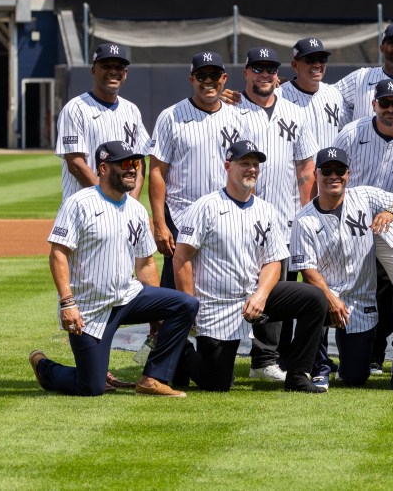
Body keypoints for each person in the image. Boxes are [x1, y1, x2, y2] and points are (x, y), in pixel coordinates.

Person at [30, 141, 198, 398]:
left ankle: (153, 378)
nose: (133, 169)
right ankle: (45, 367)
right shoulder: (79, 204)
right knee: (91, 386)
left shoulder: (136, 210)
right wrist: (67, 303)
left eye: (135, 164)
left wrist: (155, 316)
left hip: (128, 297)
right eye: (125, 164)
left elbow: (146, 262)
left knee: (185, 304)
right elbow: (58, 255)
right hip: (89, 308)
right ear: (103, 169)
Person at [171, 140, 329, 393]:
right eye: (244, 163)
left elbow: (273, 261)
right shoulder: (205, 206)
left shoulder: (266, 210)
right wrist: (190, 307)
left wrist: (261, 295)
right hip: (216, 304)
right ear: (227, 166)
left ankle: (298, 375)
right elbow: (181, 258)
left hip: (253, 296)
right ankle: (178, 350)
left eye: (255, 164)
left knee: (314, 299)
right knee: (217, 383)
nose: (251, 169)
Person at [289, 147, 393, 389]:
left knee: (355, 379)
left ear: (349, 173)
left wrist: (390, 212)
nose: (333, 176)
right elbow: (306, 270)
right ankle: (319, 367)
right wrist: (330, 299)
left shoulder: (365, 196)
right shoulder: (303, 219)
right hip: (324, 298)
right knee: (312, 302)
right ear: (316, 174)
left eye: (340, 170)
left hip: (360, 301)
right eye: (327, 170)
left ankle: (346, 366)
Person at [334, 79, 393, 374]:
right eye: (384, 103)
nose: (390, 109)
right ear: (374, 104)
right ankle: (358, 355)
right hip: (352, 221)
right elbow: (331, 180)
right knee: (353, 289)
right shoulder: (351, 133)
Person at [236, 47, 318, 382]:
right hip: (241, 217)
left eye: (270, 69)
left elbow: (306, 166)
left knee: (278, 292)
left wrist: (303, 213)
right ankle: (223, 348)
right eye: (258, 68)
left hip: (284, 218)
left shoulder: (294, 111)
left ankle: (266, 360)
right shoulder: (232, 110)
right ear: (246, 72)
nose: (265, 74)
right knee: (235, 285)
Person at [148, 52, 245, 290]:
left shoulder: (239, 116)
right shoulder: (170, 117)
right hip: (181, 215)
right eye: (202, 75)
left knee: (220, 282)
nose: (208, 81)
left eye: (214, 75)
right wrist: (160, 224)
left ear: (224, 78)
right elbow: (157, 172)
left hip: (227, 215)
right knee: (175, 292)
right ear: (192, 79)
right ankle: (164, 328)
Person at [56, 43, 150, 203]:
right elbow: (75, 163)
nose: (113, 71)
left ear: (125, 73)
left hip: (123, 209)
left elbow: (139, 161)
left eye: (119, 67)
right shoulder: (75, 108)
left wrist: (132, 202)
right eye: (106, 66)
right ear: (93, 70)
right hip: (84, 207)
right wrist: (108, 199)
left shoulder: (132, 110)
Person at [281, 37, 346, 151]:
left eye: (322, 59)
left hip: (328, 167)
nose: (317, 64)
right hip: (296, 168)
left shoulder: (334, 94)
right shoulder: (278, 96)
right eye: (310, 59)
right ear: (295, 65)